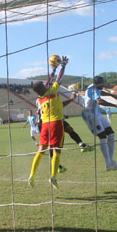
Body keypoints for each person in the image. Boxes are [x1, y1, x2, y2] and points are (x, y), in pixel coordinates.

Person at [28, 56, 69, 189]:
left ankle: (32, 175)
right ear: (44, 87)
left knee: (41, 150)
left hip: (44, 126)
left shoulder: (39, 98)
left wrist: (53, 70)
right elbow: (59, 79)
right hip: (56, 123)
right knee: (56, 150)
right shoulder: (53, 91)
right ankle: (53, 177)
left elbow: (46, 83)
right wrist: (62, 66)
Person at [81, 76, 117, 171]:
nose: (103, 85)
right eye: (101, 84)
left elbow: (101, 92)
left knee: (111, 134)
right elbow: (99, 101)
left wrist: (111, 95)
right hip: (90, 115)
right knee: (103, 137)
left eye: (103, 83)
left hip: (97, 113)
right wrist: (114, 105)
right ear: (96, 84)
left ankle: (111, 161)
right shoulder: (92, 89)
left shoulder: (96, 88)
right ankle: (108, 164)